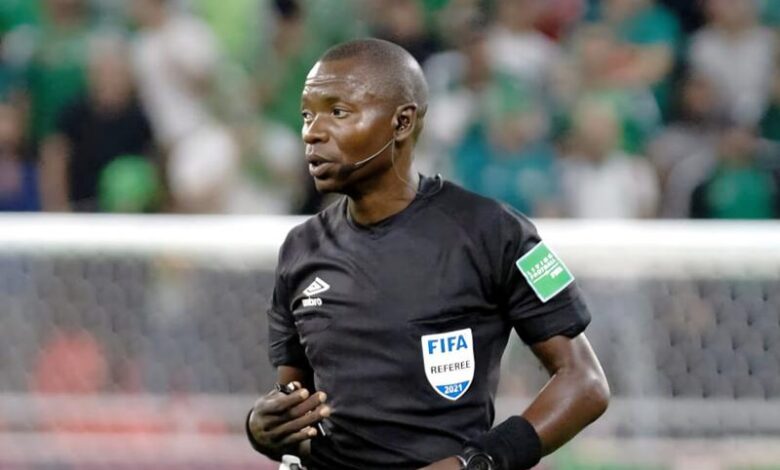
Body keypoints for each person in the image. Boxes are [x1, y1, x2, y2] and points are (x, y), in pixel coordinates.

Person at [246, 38, 609, 470]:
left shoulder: (493, 232)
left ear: (401, 122)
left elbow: (585, 383)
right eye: (308, 115)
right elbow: (297, 411)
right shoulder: (300, 249)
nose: (312, 132)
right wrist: (261, 429)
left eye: (338, 112)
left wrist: (475, 463)